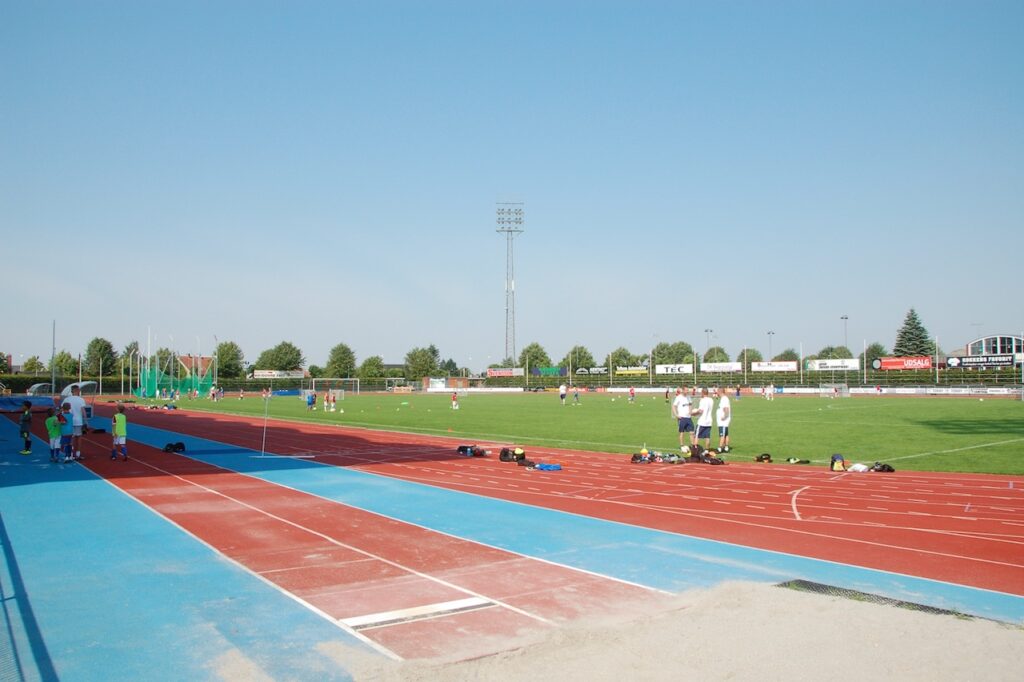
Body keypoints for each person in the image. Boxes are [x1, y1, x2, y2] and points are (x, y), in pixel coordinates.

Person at [63, 384, 89, 461]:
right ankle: (78, 454)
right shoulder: (81, 400)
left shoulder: (67, 399)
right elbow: (83, 410)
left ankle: (70, 454)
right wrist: (86, 420)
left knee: (71, 438)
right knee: (79, 438)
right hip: (78, 421)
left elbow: (62, 409)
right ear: (77, 391)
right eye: (79, 390)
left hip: (69, 421)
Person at [692, 387, 715, 452]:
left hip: (702, 421)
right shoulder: (711, 400)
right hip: (709, 421)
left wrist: (693, 413)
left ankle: (695, 450)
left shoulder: (703, 400)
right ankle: (707, 450)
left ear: (702, 393)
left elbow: (701, 411)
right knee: (707, 437)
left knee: (696, 436)